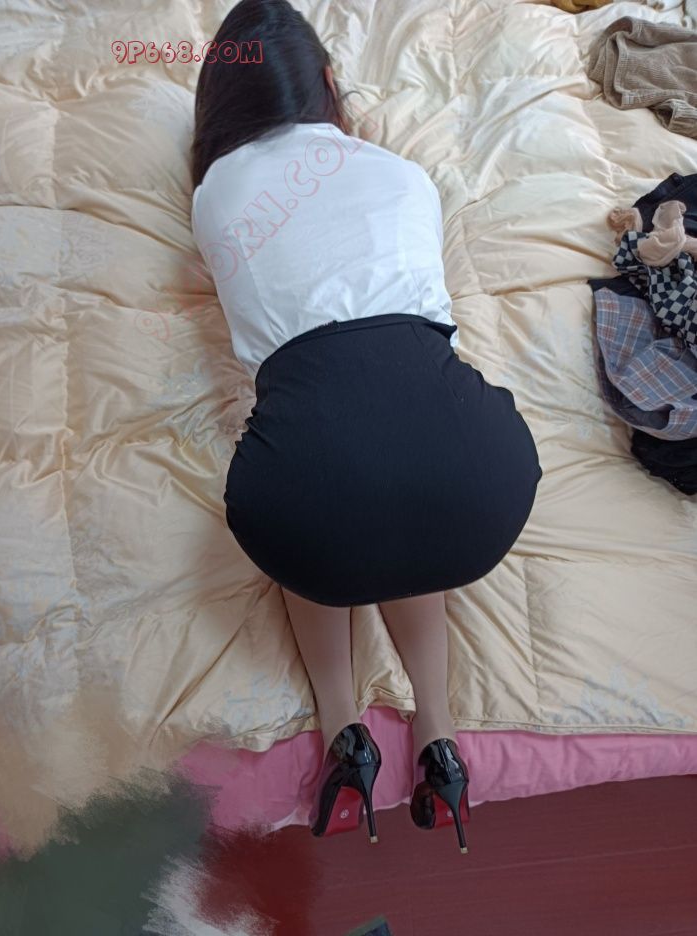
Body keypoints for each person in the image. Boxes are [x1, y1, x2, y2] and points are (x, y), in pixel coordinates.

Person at [190, 0, 542, 854]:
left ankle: (344, 728)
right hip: (482, 485)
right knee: (406, 469)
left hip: (318, 494)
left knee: (330, 487)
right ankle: (439, 735)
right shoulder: (402, 174)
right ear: (329, 85)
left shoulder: (216, 192)